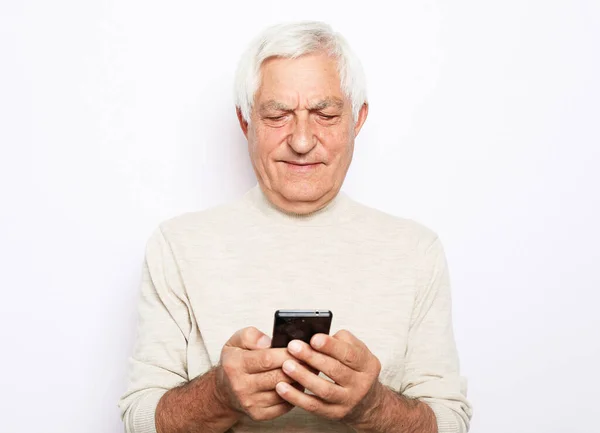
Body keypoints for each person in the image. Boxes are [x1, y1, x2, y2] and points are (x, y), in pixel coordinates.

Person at [119, 21, 472, 433]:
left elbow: (450, 422)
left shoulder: (416, 251)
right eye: (277, 115)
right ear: (245, 121)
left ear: (357, 120)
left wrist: (372, 406)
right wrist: (218, 396)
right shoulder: (176, 246)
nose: (302, 140)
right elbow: (138, 421)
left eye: (325, 114)